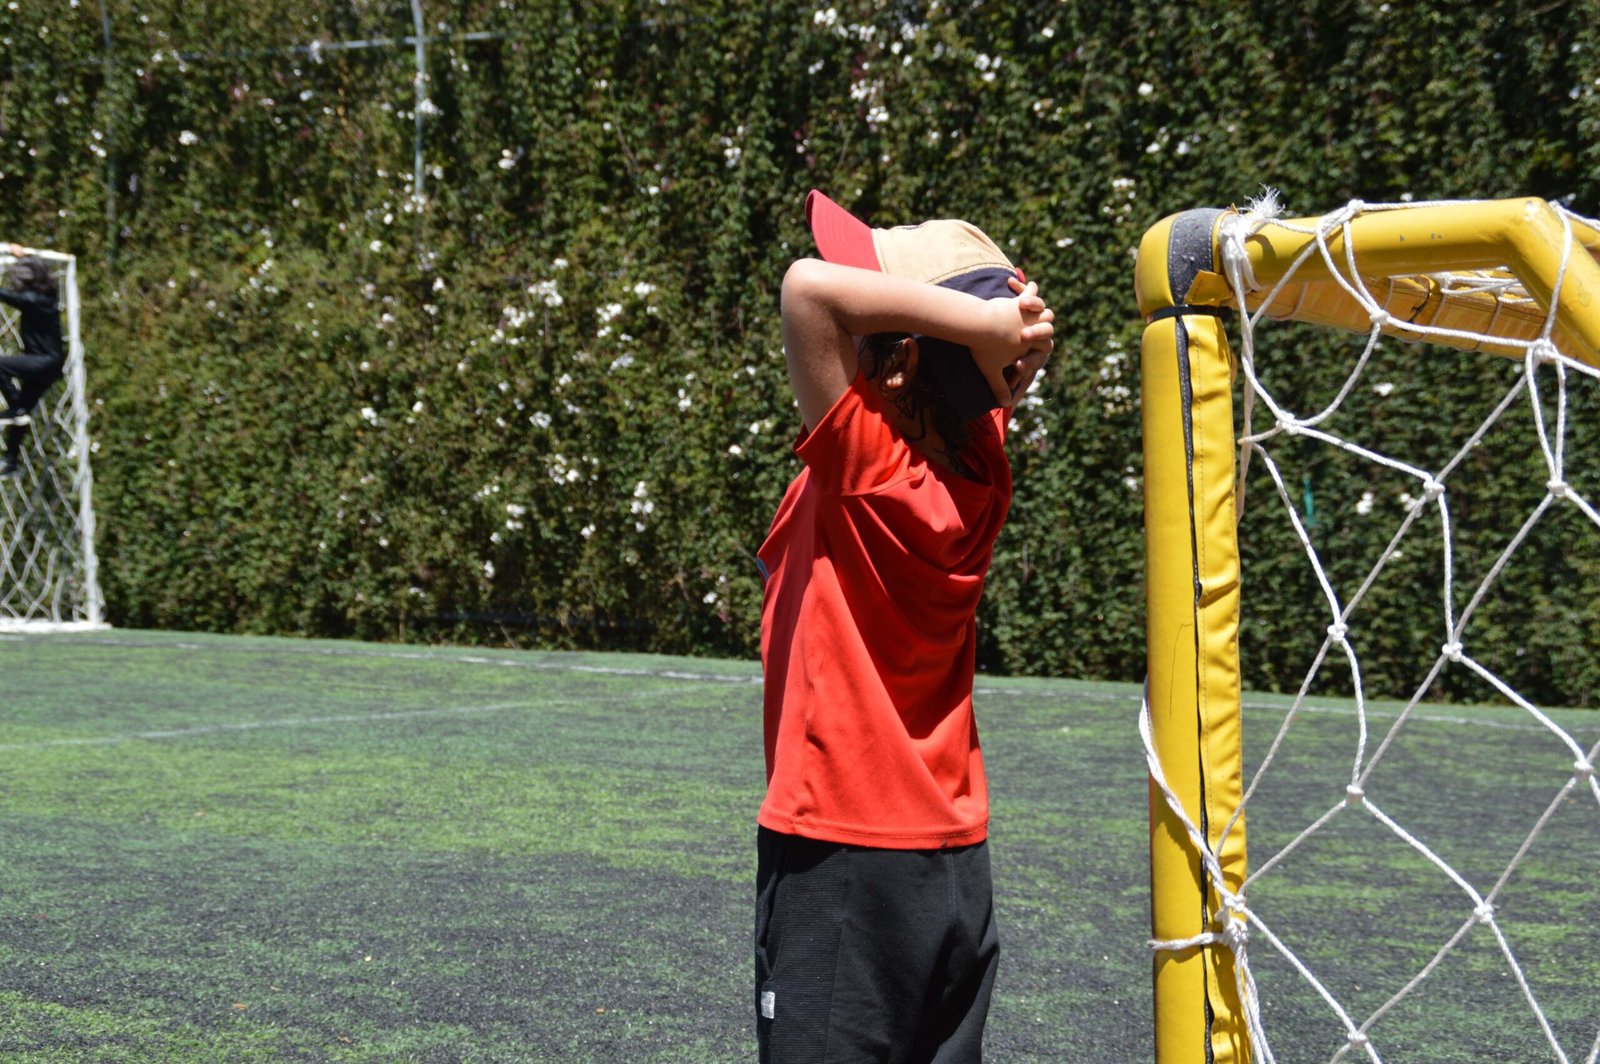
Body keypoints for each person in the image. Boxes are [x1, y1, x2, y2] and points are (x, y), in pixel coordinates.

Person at [754, 190, 1054, 1063]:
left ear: (903, 359)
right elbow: (981, 384)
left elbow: (807, 289)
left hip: (842, 853)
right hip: (954, 862)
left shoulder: (866, 471)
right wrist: (1001, 336)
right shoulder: (981, 468)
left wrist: (984, 326)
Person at [0, 243, 66, 479]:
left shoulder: (32, 299)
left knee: (17, 407)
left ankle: (15, 406)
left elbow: (5, 294)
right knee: (21, 417)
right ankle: (10, 462)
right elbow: (37, 270)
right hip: (48, 365)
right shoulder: (47, 297)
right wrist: (22, 256)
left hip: (41, 362)